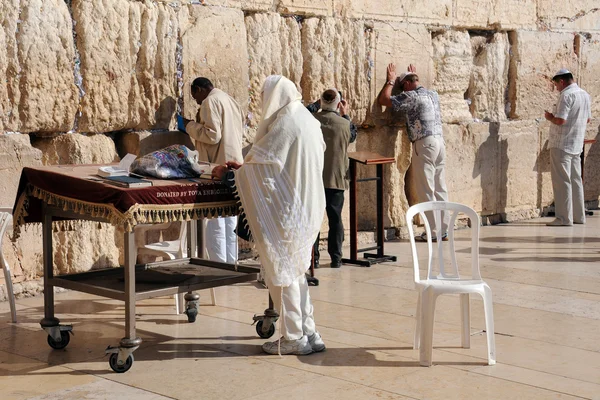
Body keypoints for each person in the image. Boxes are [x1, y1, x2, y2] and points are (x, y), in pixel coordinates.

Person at [212, 75, 327, 355]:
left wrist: (232, 173)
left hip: (287, 211)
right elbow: (274, 161)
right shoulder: (308, 119)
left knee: (284, 272)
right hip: (308, 206)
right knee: (297, 271)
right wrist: (245, 165)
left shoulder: (286, 123)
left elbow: (263, 168)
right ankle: (309, 332)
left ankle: (293, 338)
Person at [377, 63, 449, 241]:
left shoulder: (412, 96)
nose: (402, 91)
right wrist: (410, 77)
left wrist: (391, 81)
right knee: (440, 187)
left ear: (407, 85)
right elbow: (416, 89)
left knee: (426, 188)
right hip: (440, 142)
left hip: (424, 143)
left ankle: (433, 233)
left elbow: (384, 100)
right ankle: (444, 229)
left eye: (403, 87)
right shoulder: (432, 94)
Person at [181, 77, 244, 263]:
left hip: (217, 168)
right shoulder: (229, 99)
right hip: (233, 165)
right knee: (230, 221)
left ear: (199, 89)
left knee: (215, 221)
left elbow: (212, 135)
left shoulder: (210, 101)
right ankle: (232, 264)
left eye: (195, 96)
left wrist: (189, 125)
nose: (197, 101)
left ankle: (219, 265)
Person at [306, 89, 357, 268]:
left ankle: (314, 259)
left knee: (314, 220)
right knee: (335, 219)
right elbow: (352, 135)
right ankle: (336, 258)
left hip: (315, 178)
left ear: (321, 101)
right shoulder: (344, 124)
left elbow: (303, 113)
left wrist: (315, 105)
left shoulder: (311, 121)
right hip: (336, 178)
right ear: (338, 103)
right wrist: (347, 114)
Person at [545, 69, 592, 226]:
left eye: (556, 84)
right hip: (576, 144)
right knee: (575, 180)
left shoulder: (566, 95)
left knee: (562, 181)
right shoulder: (585, 95)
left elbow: (560, 120)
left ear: (562, 81)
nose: (557, 88)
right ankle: (579, 216)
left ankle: (564, 218)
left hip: (561, 144)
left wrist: (550, 117)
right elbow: (587, 120)